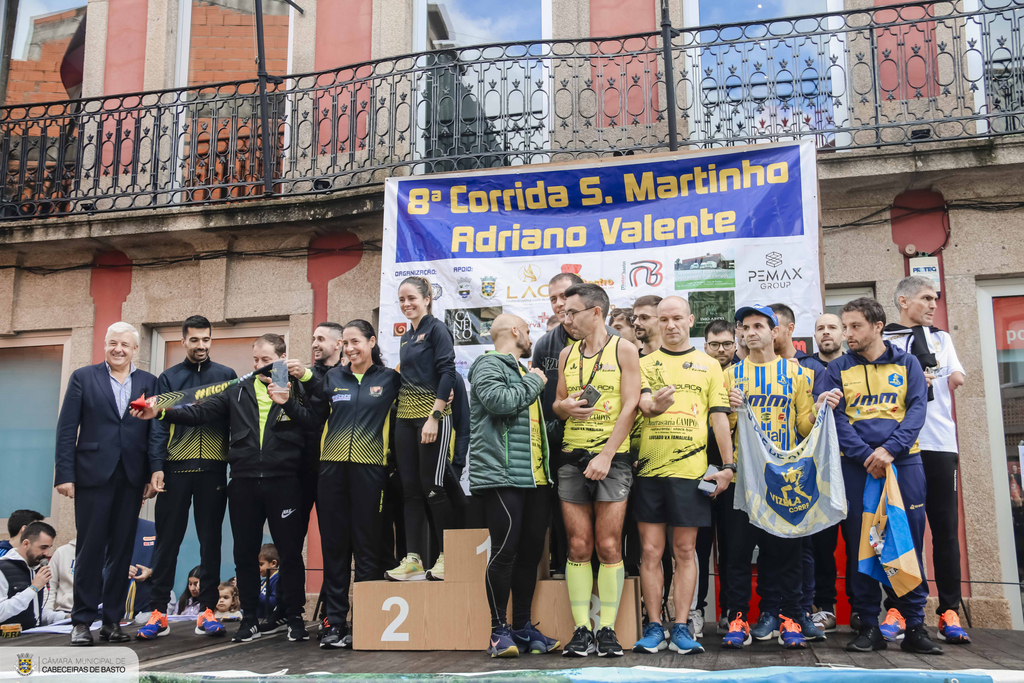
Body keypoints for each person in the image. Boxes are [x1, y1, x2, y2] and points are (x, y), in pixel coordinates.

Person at [131, 333, 309, 643]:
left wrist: (290, 397)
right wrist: (161, 410)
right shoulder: (237, 389)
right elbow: (199, 412)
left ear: (282, 358)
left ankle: (294, 616)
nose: (259, 366)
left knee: (291, 553)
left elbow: (312, 422)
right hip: (243, 483)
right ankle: (250, 618)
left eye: (266, 360)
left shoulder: (298, 388)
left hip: (284, 481)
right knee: (244, 555)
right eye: (255, 360)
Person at [274, 319, 401, 649]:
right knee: (335, 551)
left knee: (369, 550)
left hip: (371, 472)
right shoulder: (333, 378)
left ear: (372, 341)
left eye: (356, 341)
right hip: (331, 473)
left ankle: (369, 621)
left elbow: (404, 426)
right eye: (345, 343)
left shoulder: (390, 380)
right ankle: (334, 623)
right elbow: (313, 420)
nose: (350, 348)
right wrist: (287, 402)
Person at [826, 297, 941, 655]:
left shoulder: (908, 364)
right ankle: (869, 624)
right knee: (861, 543)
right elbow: (836, 418)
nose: (848, 334)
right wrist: (865, 455)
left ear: (878, 326)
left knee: (906, 540)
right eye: (845, 327)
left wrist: (890, 450)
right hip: (856, 467)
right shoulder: (837, 368)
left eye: (855, 326)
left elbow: (917, 411)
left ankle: (915, 626)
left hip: (903, 464)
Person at [721, 306, 836, 650]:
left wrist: (820, 407)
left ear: (775, 332)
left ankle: (787, 615)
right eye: (745, 327)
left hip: (783, 475)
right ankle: (738, 616)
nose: (751, 332)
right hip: (743, 474)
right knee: (737, 552)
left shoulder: (796, 373)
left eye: (759, 325)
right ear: (739, 334)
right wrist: (728, 409)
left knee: (785, 551)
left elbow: (803, 426)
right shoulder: (730, 376)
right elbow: (722, 428)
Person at [632, 298, 734, 656]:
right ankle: (653, 627)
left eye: (677, 318)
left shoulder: (710, 366)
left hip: (691, 472)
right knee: (650, 550)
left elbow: (720, 417)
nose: (671, 325)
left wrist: (728, 465)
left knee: (686, 551)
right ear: (656, 323)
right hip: (649, 470)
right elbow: (639, 408)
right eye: (664, 319)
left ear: (690, 320)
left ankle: (681, 626)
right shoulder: (644, 364)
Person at [54, 321, 159, 646]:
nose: (118, 350)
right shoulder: (83, 377)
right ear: (105, 344)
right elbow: (67, 428)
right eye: (113, 343)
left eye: (125, 345)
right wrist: (65, 475)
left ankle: (112, 621)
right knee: (90, 548)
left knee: (122, 549)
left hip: (131, 476)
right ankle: (82, 621)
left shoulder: (149, 381)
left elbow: (156, 431)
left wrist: (154, 471)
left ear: (134, 349)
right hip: (91, 475)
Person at [553, 283, 641, 657]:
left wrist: (606, 456)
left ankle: (606, 629)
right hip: (572, 458)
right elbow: (557, 403)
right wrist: (565, 408)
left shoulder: (624, 348)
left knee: (608, 545)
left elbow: (631, 405)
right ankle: (580, 630)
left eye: (572, 311)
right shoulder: (565, 354)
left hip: (612, 460)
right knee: (578, 545)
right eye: (564, 312)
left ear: (596, 312)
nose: (566, 317)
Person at [883, 276, 969, 644]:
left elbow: (958, 377)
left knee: (945, 528)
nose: (933, 304)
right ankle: (899, 607)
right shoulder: (885, 341)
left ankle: (949, 609)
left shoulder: (941, 339)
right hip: (901, 447)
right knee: (902, 530)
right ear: (904, 300)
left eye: (936, 298)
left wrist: (948, 375)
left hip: (938, 443)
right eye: (925, 298)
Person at [468, 314, 560, 658]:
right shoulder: (487, 364)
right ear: (516, 331)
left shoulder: (522, 372)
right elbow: (499, 403)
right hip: (503, 474)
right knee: (505, 552)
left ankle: (522, 627)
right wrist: (537, 381)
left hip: (535, 477)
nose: (531, 337)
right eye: (529, 330)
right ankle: (497, 632)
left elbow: (528, 427)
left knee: (531, 555)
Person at [139, 315, 236, 641]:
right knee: (167, 543)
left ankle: (206, 611)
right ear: (183, 341)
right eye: (194, 340)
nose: (201, 346)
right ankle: (158, 612)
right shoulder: (168, 378)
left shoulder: (226, 376)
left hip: (212, 469)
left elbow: (234, 422)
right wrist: (156, 467)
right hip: (175, 470)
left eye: (206, 339)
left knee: (212, 543)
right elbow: (157, 426)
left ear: (211, 340)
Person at [386, 277, 457, 582]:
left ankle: (448, 557)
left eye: (412, 298)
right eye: (402, 299)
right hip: (405, 418)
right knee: (410, 491)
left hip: (432, 416)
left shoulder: (437, 328)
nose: (406, 304)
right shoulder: (405, 336)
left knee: (433, 487)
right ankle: (413, 558)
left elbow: (448, 372)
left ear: (428, 298)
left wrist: (435, 416)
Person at [767, 302, 827, 644]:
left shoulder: (811, 369)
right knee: (766, 545)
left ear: (789, 329)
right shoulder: (743, 370)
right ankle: (771, 612)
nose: (766, 332)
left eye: (774, 326)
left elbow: (810, 424)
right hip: (762, 470)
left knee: (800, 547)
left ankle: (801, 611)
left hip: (801, 471)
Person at [807, 313, 845, 634]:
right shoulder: (805, 368)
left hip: (854, 463)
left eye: (832, 327)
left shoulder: (855, 366)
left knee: (864, 539)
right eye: (820, 328)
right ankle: (825, 607)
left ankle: (865, 611)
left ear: (844, 333)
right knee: (822, 542)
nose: (826, 332)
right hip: (820, 470)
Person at [701, 318, 737, 634]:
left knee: (731, 546)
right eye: (715, 344)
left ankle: (730, 611)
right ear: (705, 346)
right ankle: (697, 610)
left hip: (733, 473)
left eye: (726, 343)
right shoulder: (695, 371)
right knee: (697, 546)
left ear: (735, 345)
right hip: (698, 471)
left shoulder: (743, 376)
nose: (721, 349)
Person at [0, 522, 65, 631]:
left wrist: (65, 617)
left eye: (49, 547)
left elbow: (36, 614)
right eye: (43, 547)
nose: (46, 553)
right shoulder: (3, 569)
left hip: (34, 636)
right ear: (26, 544)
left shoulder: (36, 569)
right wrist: (33, 589)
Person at [123, 514, 156, 622]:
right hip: (106, 612)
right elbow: (91, 571)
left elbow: (166, 565)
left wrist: (151, 571)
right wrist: (118, 571)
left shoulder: (153, 529)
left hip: (145, 611)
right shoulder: (105, 529)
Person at [44, 537, 75, 614]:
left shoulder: (106, 552)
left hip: (99, 613)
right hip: (66, 611)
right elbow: (50, 585)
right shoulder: (62, 552)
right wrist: (47, 613)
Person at [257, 545, 279, 621]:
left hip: (268, 621)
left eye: (260, 564)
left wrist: (255, 592)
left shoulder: (277, 580)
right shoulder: (263, 581)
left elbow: (274, 602)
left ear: (273, 563)